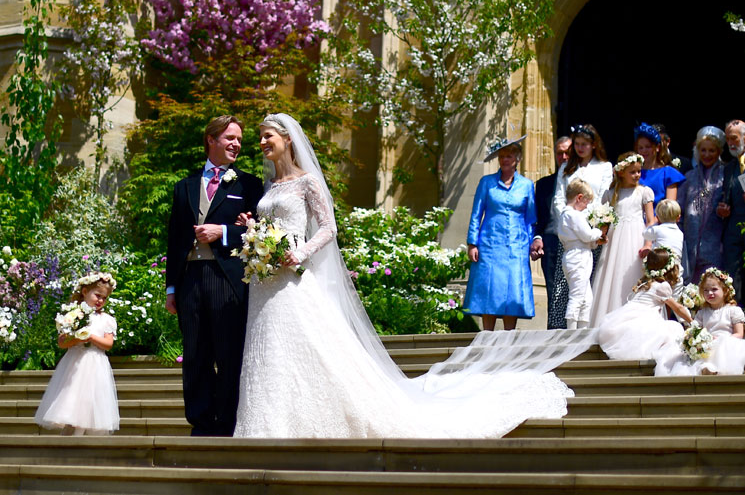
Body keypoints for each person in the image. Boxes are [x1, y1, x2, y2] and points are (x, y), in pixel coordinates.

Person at [234, 114, 588, 439]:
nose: (263, 142)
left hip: (293, 275)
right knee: (270, 348)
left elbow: (328, 227)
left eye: (268, 137)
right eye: (261, 137)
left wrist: (300, 253)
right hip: (265, 280)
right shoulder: (269, 185)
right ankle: (266, 422)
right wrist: (254, 231)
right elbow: (274, 226)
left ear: (287, 139)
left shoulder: (306, 182)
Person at [166, 115, 264, 436]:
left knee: (228, 351)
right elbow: (175, 238)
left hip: (228, 279)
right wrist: (171, 289)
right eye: (230, 138)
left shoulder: (248, 185)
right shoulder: (185, 186)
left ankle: (226, 421)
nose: (237, 144)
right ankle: (200, 421)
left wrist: (222, 231)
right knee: (195, 353)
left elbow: (259, 234)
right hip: (190, 279)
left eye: (239, 139)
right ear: (211, 139)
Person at [464, 135, 536, 331]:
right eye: (502, 156)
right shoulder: (486, 183)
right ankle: (487, 336)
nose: (505, 159)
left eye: (510, 156)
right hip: (489, 243)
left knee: (512, 290)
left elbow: (531, 219)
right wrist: (472, 243)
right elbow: (476, 214)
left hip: (516, 244)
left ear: (517, 159)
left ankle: (509, 337)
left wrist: (533, 243)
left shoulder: (526, 185)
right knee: (490, 288)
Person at [34, 272, 119, 435]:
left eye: (104, 298)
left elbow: (108, 344)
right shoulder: (73, 314)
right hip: (75, 362)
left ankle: (78, 435)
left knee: (88, 398)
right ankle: (69, 433)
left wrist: (91, 337)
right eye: (97, 295)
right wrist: (77, 339)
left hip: (95, 362)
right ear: (85, 292)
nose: (100, 300)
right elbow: (62, 342)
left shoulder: (107, 319)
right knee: (71, 394)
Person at [547, 124, 613, 330]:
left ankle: (587, 325)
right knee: (566, 283)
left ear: (594, 145)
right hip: (570, 233)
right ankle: (562, 326)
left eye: (584, 144)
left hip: (591, 229)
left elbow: (603, 196)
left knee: (588, 286)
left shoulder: (603, 167)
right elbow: (559, 198)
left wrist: (587, 220)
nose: (580, 148)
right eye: (577, 144)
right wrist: (570, 219)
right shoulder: (567, 169)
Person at [589, 152, 655, 326]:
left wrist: (648, 243)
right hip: (615, 239)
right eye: (632, 172)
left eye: (639, 171)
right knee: (613, 275)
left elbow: (650, 220)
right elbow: (605, 220)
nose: (637, 175)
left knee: (633, 274)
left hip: (636, 237)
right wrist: (601, 234)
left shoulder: (644, 192)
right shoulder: (610, 194)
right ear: (621, 173)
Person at [597, 248, 689, 363]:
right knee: (675, 329)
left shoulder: (644, 284)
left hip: (625, 317)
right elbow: (678, 308)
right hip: (644, 318)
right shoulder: (662, 286)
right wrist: (692, 321)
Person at [656, 267, 745, 376]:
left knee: (721, 348)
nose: (710, 293)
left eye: (714, 289)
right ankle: (705, 369)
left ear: (725, 290)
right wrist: (698, 341)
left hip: (727, 343)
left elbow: (739, 334)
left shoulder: (733, 310)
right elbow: (695, 330)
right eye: (706, 290)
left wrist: (722, 340)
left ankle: (714, 368)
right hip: (706, 345)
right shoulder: (702, 313)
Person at [532, 136, 572, 328]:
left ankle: (574, 332)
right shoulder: (543, 184)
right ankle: (554, 332)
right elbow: (537, 218)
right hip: (551, 241)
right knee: (553, 291)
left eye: (567, 152)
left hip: (575, 242)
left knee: (575, 290)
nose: (563, 157)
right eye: (559, 153)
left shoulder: (582, 180)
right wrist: (537, 238)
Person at [679, 126, 726, 283]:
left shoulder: (727, 174)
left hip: (716, 247)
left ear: (719, 151)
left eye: (711, 150)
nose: (706, 155)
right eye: (703, 150)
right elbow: (679, 212)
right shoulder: (689, 177)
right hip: (690, 246)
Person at [558, 179, 604, 330]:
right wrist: (599, 232)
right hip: (578, 258)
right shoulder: (574, 215)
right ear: (579, 198)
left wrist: (595, 242)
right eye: (586, 202)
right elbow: (586, 235)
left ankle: (583, 330)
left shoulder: (565, 215)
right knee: (577, 296)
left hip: (578, 254)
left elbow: (583, 240)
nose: (587, 206)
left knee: (586, 298)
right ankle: (571, 331)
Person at [717, 120, 745, 305]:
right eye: (728, 139)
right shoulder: (729, 168)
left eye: (734, 138)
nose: (731, 143)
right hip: (734, 232)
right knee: (733, 279)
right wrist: (722, 209)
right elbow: (726, 196)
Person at [634, 122, 685, 206]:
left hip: (661, 217)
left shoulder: (668, 173)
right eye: (640, 148)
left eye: (648, 147)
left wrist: (654, 219)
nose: (644, 151)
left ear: (657, 148)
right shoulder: (634, 172)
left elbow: (670, 207)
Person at [641, 199, 685, 293]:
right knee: (674, 292)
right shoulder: (680, 233)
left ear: (658, 217)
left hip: (660, 266)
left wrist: (655, 222)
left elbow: (645, 234)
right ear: (678, 217)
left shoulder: (658, 229)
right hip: (676, 268)